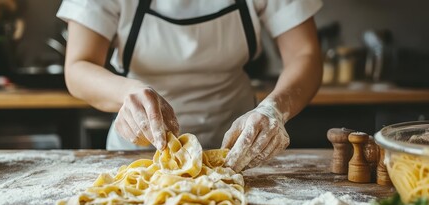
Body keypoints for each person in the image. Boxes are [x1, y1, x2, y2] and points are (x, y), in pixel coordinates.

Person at [57, 0, 323, 172]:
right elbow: (78, 66)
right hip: (140, 154)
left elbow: (305, 54)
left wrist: (273, 110)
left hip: (241, 154)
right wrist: (126, 92)